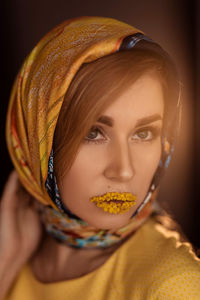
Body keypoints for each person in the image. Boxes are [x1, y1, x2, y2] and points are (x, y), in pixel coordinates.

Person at [1, 16, 200, 299]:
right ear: (36, 139)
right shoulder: (16, 252)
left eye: (143, 134)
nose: (124, 170)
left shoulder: (173, 286)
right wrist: (6, 262)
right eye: (93, 133)